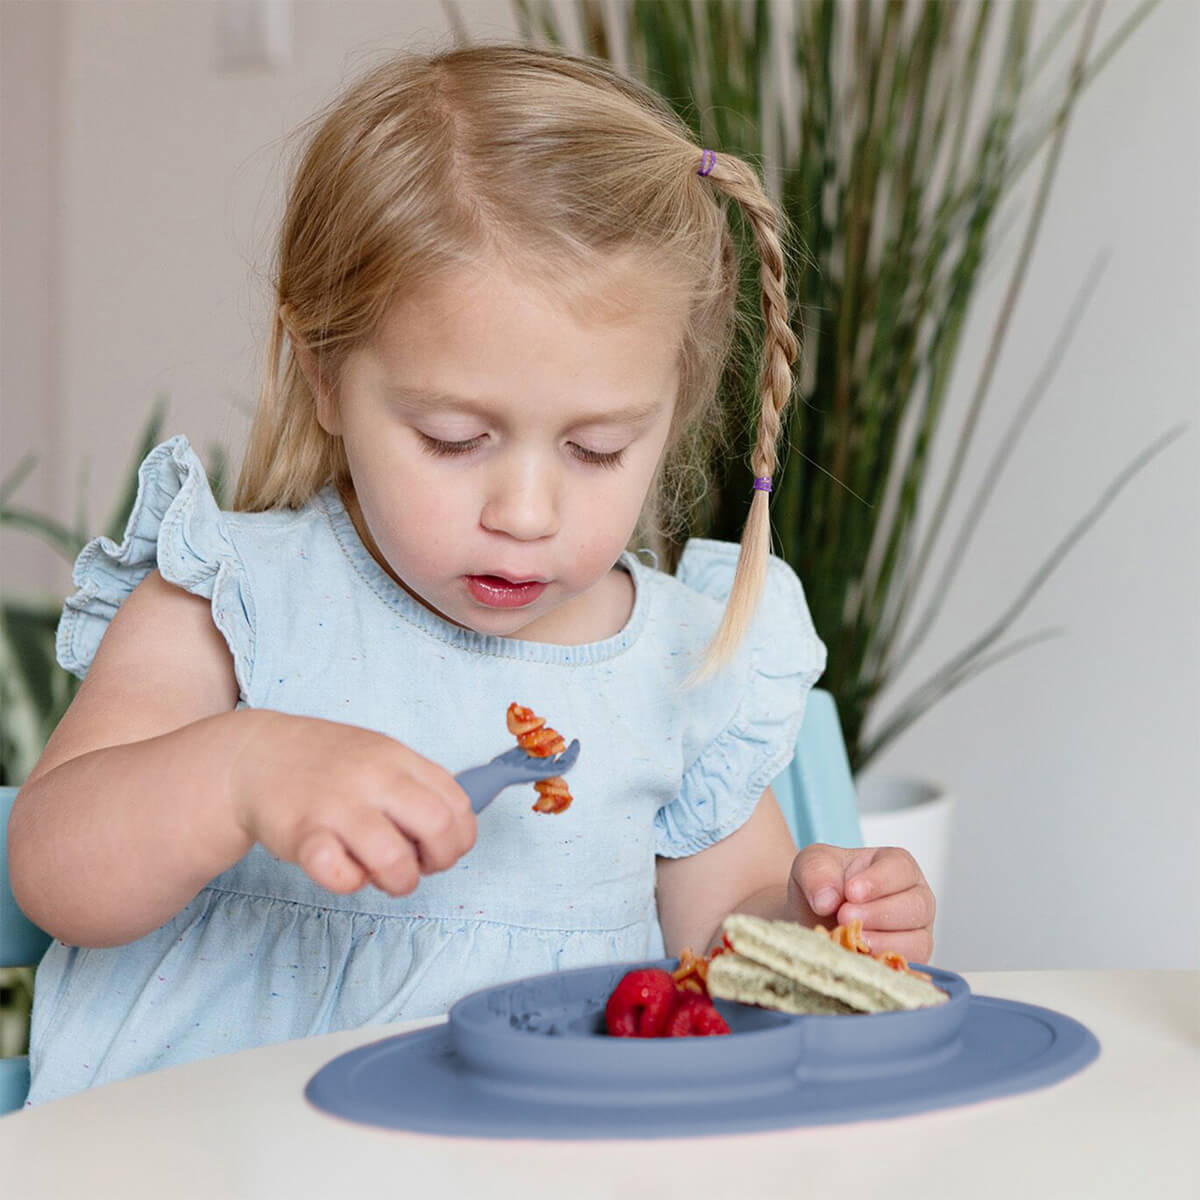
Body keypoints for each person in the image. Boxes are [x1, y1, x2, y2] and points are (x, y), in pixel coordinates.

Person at [9, 44, 934, 1105]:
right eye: (453, 438)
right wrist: (235, 772)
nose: (526, 514)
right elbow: (53, 869)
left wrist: (810, 930)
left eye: (595, 451)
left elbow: (725, 946)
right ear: (324, 378)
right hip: (224, 1157)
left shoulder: (679, 660)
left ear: (669, 419)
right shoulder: (233, 604)